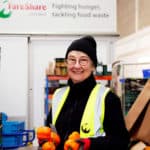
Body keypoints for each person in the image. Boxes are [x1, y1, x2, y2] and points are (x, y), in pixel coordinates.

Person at [46, 35, 130, 150]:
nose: (76, 65)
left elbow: (121, 141)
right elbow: (50, 130)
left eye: (83, 60)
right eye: (72, 59)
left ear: (93, 66)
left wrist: (90, 144)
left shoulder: (108, 98)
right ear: (66, 63)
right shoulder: (58, 95)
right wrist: (46, 140)